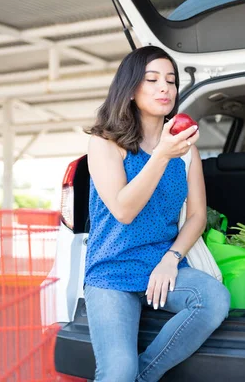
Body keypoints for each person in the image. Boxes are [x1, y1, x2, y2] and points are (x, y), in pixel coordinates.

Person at [84, 46, 230, 382]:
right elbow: (123, 209)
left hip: (162, 265)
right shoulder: (105, 142)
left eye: (171, 80)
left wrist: (171, 257)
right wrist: (161, 155)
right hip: (111, 270)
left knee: (213, 300)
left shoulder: (185, 147)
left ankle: (145, 377)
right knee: (117, 371)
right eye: (152, 80)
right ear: (131, 90)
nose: (165, 87)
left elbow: (197, 215)